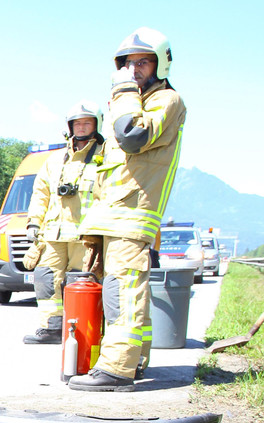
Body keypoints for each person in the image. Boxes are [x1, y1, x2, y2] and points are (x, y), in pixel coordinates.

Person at [69, 27, 186, 391]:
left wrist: (120, 94)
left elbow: (133, 136)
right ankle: (136, 359)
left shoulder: (166, 100)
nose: (134, 70)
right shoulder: (137, 100)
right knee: (124, 292)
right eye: (128, 63)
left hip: (131, 216)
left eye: (143, 61)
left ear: (160, 63)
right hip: (115, 217)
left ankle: (118, 368)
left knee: (123, 292)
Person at [22, 101, 106, 344]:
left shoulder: (105, 156)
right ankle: (51, 327)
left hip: (86, 235)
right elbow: (41, 193)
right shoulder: (54, 160)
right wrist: (33, 224)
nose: (81, 127)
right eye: (76, 123)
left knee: (83, 284)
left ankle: (84, 331)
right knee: (46, 279)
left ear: (96, 125)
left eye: (86, 122)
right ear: (69, 127)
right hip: (54, 234)